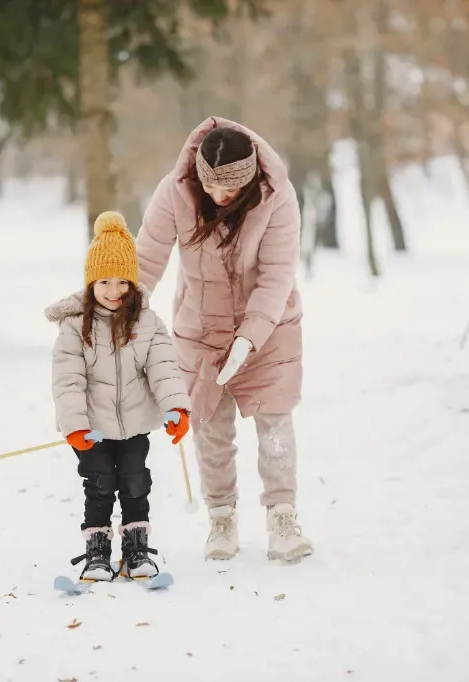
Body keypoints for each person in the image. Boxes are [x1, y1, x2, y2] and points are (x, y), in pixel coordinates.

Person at [135, 116, 313, 563]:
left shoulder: (278, 198)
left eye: (228, 190)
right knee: (210, 428)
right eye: (210, 187)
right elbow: (148, 255)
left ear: (250, 178)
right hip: (200, 330)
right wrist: (122, 311)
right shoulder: (175, 190)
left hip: (269, 330)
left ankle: (282, 517)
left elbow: (276, 278)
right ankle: (221, 518)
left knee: (274, 421)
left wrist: (249, 340)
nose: (218, 197)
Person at [46, 210, 191, 582]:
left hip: (134, 424)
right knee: (99, 486)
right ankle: (97, 553)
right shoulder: (75, 327)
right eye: (104, 281)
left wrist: (175, 406)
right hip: (91, 429)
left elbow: (163, 366)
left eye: (123, 281)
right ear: (91, 283)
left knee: (135, 481)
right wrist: (75, 425)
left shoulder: (146, 322)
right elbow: (68, 380)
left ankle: (136, 550)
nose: (114, 291)